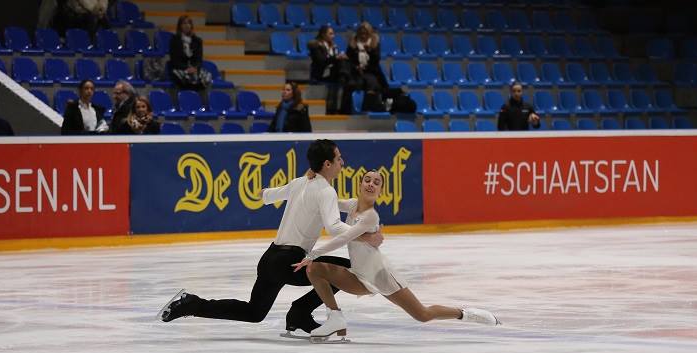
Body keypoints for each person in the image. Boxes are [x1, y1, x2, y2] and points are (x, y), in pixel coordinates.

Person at [157, 140, 384, 334]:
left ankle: (191, 304)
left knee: (254, 312)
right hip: (289, 262)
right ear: (327, 164)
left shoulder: (300, 183)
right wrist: (364, 236)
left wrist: (312, 186)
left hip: (270, 259)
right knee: (347, 271)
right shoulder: (325, 191)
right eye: (338, 159)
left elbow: (264, 196)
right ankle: (300, 313)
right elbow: (334, 227)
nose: (342, 163)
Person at [291, 170, 500, 340]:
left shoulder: (371, 217)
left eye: (376, 182)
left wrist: (313, 253)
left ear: (380, 190)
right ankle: (334, 316)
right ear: (360, 184)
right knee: (315, 269)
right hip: (359, 275)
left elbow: (342, 238)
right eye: (367, 180)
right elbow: (328, 198)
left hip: (381, 275)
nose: (371, 184)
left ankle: (466, 313)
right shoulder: (353, 204)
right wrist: (313, 179)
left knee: (422, 315)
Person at [344, 21, 388, 114]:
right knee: (351, 84)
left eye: (365, 33)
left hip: (371, 71)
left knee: (373, 83)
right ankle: (347, 111)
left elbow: (376, 61)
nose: (363, 35)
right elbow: (348, 60)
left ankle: (369, 107)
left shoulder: (374, 43)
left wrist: (369, 51)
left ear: (369, 33)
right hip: (355, 71)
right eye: (361, 33)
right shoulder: (353, 44)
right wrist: (356, 67)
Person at [307, 25, 347, 115]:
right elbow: (321, 61)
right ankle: (343, 77)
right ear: (323, 34)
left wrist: (338, 57)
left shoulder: (334, 46)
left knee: (343, 62)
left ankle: (335, 109)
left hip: (332, 72)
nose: (333, 36)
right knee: (341, 65)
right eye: (331, 34)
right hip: (321, 72)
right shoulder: (316, 46)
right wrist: (336, 57)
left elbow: (334, 59)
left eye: (333, 34)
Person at [169, 14, 212, 91]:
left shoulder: (197, 41)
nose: (187, 25)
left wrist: (195, 68)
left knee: (207, 77)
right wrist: (186, 68)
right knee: (184, 77)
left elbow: (199, 59)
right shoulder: (175, 40)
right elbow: (174, 60)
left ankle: (200, 99)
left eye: (189, 23)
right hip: (180, 68)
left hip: (194, 68)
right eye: (184, 23)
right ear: (180, 26)